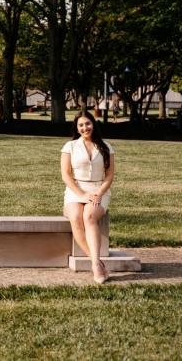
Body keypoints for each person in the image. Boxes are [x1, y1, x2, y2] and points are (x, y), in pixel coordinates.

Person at [61, 110, 115, 283]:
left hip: (99, 190)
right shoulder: (69, 147)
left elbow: (109, 175)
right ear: (77, 128)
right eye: (81, 125)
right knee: (76, 217)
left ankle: (95, 264)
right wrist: (82, 195)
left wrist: (98, 193)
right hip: (75, 190)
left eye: (88, 123)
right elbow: (66, 175)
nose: (85, 128)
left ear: (93, 124)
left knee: (89, 216)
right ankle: (96, 263)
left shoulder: (106, 146)